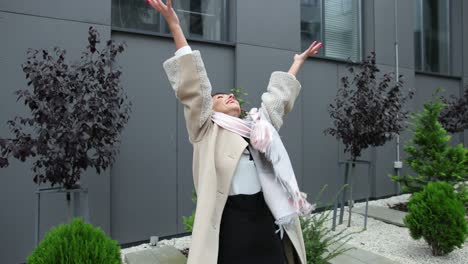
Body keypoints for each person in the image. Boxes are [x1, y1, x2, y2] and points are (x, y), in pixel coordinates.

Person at [147, 1, 323, 263]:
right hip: (231, 223)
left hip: (265, 217)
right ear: (211, 107)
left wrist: (298, 62)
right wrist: (173, 23)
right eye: (219, 96)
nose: (228, 96)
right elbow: (194, 87)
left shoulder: (258, 128)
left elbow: (279, 98)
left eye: (230, 95)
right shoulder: (205, 130)